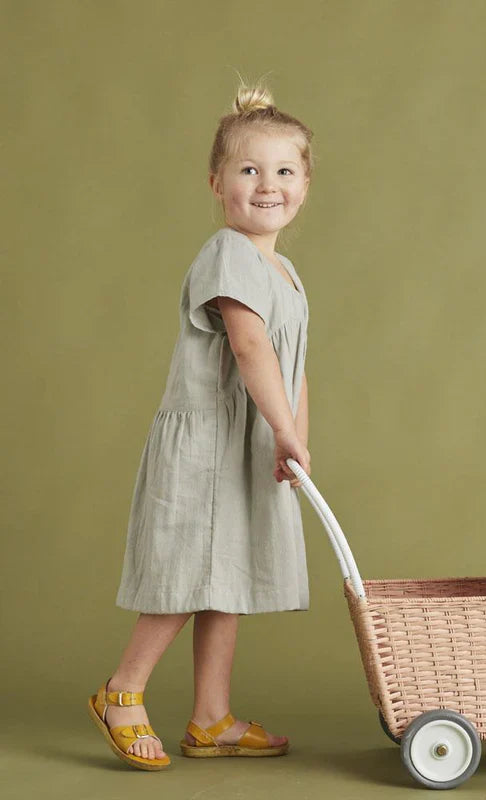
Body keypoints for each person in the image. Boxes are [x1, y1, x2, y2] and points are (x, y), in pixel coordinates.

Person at [87, 79, 314, 770]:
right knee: (190, 569)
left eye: (283, 170)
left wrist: (297, 437)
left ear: (306, 181)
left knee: (229, 576)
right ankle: (121, 690)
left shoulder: (286, 271)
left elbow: (293, 365)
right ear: (217, 182)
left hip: (251, 441)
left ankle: (211, 717)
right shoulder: (228, 254)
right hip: (209, 443)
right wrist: (280, 427)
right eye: (248, 169)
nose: (266, 184)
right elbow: (248, 348)